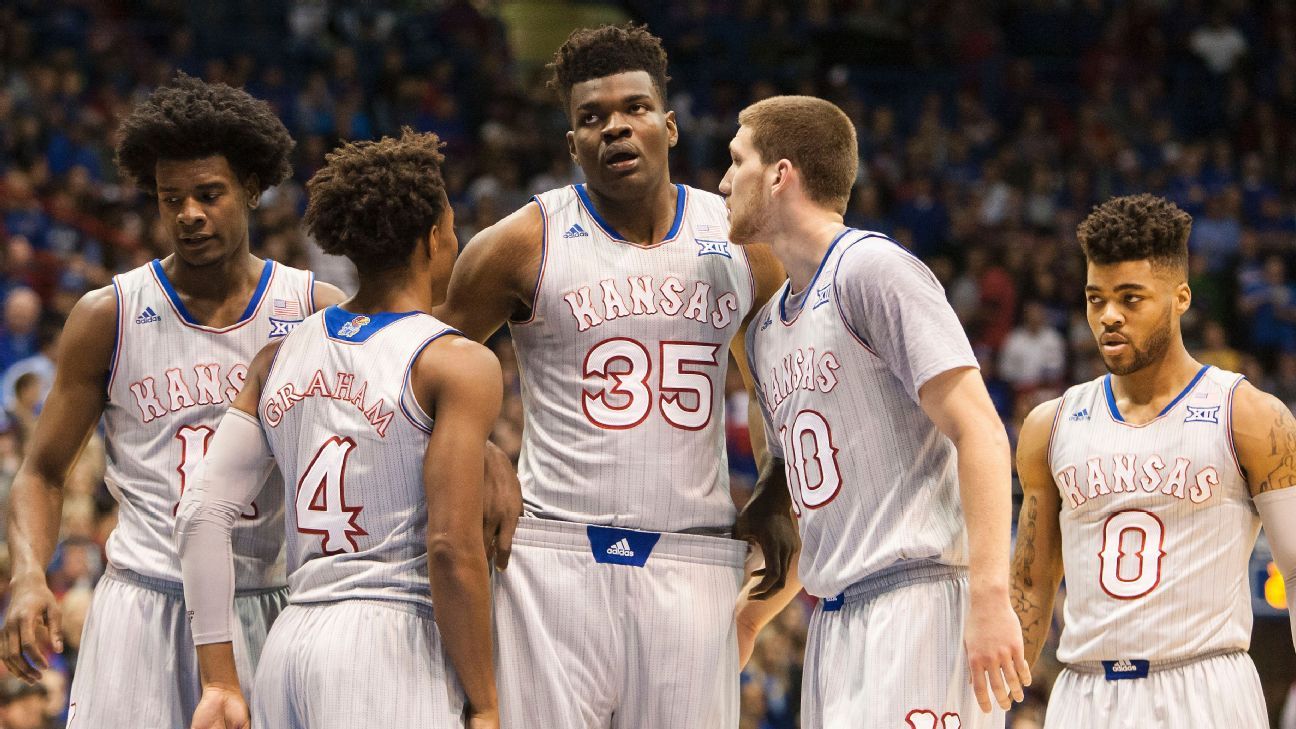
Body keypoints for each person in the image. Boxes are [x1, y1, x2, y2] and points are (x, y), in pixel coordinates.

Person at [436, 24, 795, 728]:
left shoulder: (742, 241)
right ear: (572, 145)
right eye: (591, 118)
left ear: (668, 124)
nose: (614, 129)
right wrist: (477, 450)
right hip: (552, 557)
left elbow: (780, 391)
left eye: (633, 109)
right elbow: (415, 363)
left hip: (694, 556)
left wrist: (779, 487)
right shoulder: (521, 242)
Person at [0, 74, 345, 725]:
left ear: (249, 187)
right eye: (171, 198)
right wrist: (26, 575)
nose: (189, 213)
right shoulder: (110, 315)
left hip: (267, 598)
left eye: (209, 194)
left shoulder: (313, 312)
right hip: (143, 605)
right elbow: (41, 471)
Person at [175, 129, 500, 729]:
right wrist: (486, 702)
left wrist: (220, 678)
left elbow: (199, 513)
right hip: (390, 642)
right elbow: (452, 550)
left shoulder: (277, 356)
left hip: (288, 643)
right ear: (434, 237)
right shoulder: (455, 361)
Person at [719, 95, 1027, 727]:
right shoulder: (766, 333)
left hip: (918, 603)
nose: (723, 182)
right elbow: (819, 506)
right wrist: (751, 615)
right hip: (833, 622)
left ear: (780, 175)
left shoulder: (874, 270)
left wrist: (992, 596)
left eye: (736, 161)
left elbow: (981, 432)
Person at [1010, 193, 1296, 727]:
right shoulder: (1049, 425)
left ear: (1180, 296)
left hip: (1207, 688)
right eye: (1095, 299)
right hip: (1084, 694)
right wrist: (994, 704)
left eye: (1131, 298)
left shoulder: (1251, 417)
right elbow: (1030, 584)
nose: (1109, 316)